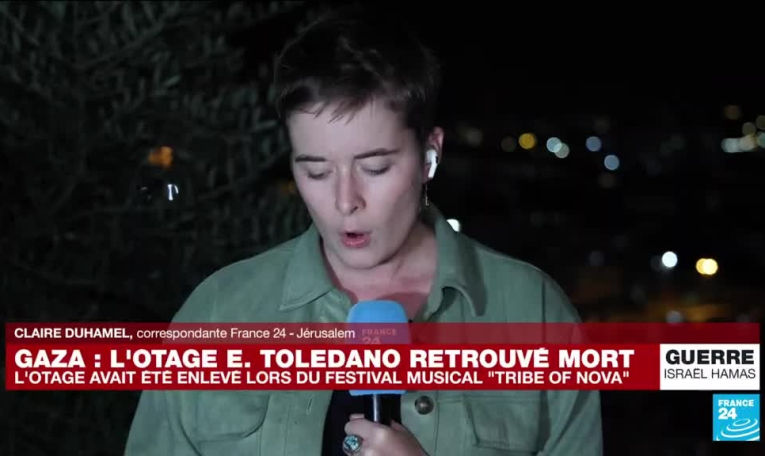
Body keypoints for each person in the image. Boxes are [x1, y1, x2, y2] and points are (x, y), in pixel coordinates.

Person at [124, 4, 603, 456]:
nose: (345, 201)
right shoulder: (216, 315)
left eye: (374, 168)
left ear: (429, 156)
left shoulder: (536, 315)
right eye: (316, 171)